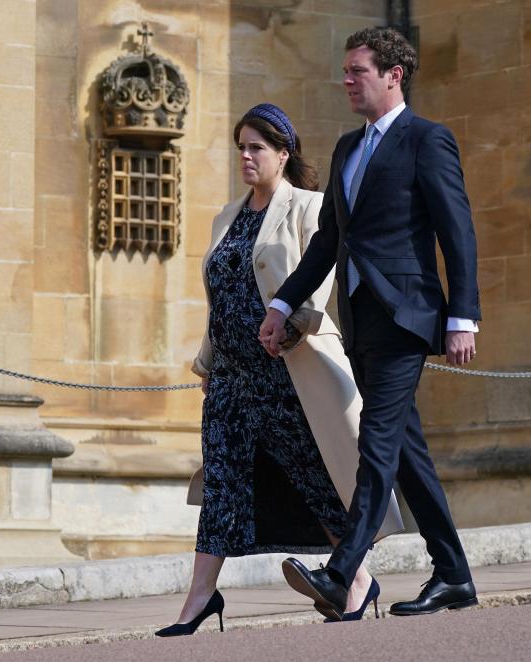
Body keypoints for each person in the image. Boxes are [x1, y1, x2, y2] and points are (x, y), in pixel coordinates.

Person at [156, 104, 404, 637]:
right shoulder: (227, 216)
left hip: (284, 368)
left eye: (256, 148)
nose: (245, 156)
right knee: (221, 483)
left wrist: (299, 322)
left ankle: (357, 578)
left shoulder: (308, 207)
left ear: (283, 153)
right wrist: (206, 359)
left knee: (314, 477)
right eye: (240, 146)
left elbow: (319, 276)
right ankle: (198, 600)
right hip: (229, 377)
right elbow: (219, 293)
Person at [259, 27, 481, 620]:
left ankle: (342, 573)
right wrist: (282, 304)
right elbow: (330, 240)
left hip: (407, 316)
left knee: (377, 443)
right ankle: (454, 575)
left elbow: (457, 231)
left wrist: (463, 317)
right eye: (346, 70)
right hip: (361, 319)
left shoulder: (427, 140)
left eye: (358, 70)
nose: (347, 80)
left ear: (393, 74)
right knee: (406, 452)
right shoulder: (346, 149)